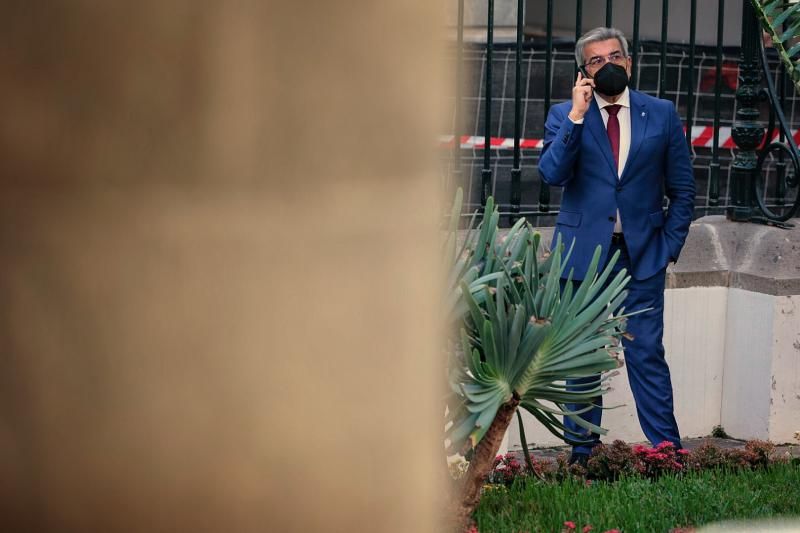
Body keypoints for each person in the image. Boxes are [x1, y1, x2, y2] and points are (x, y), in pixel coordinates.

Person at [538, 27, 695, 465]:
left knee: (646, 352)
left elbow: (683, 190)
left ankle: (667, 452)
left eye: (613, 57)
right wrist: (575, 114)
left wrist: (668, 246)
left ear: (629, 62)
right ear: (583, 72)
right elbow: (552, 174)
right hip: (582, 258)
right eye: (595, 60)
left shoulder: (660, 114)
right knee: (583, 356)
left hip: (641, 254)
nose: (606, 65)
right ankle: (582, 453)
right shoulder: (564, 114)